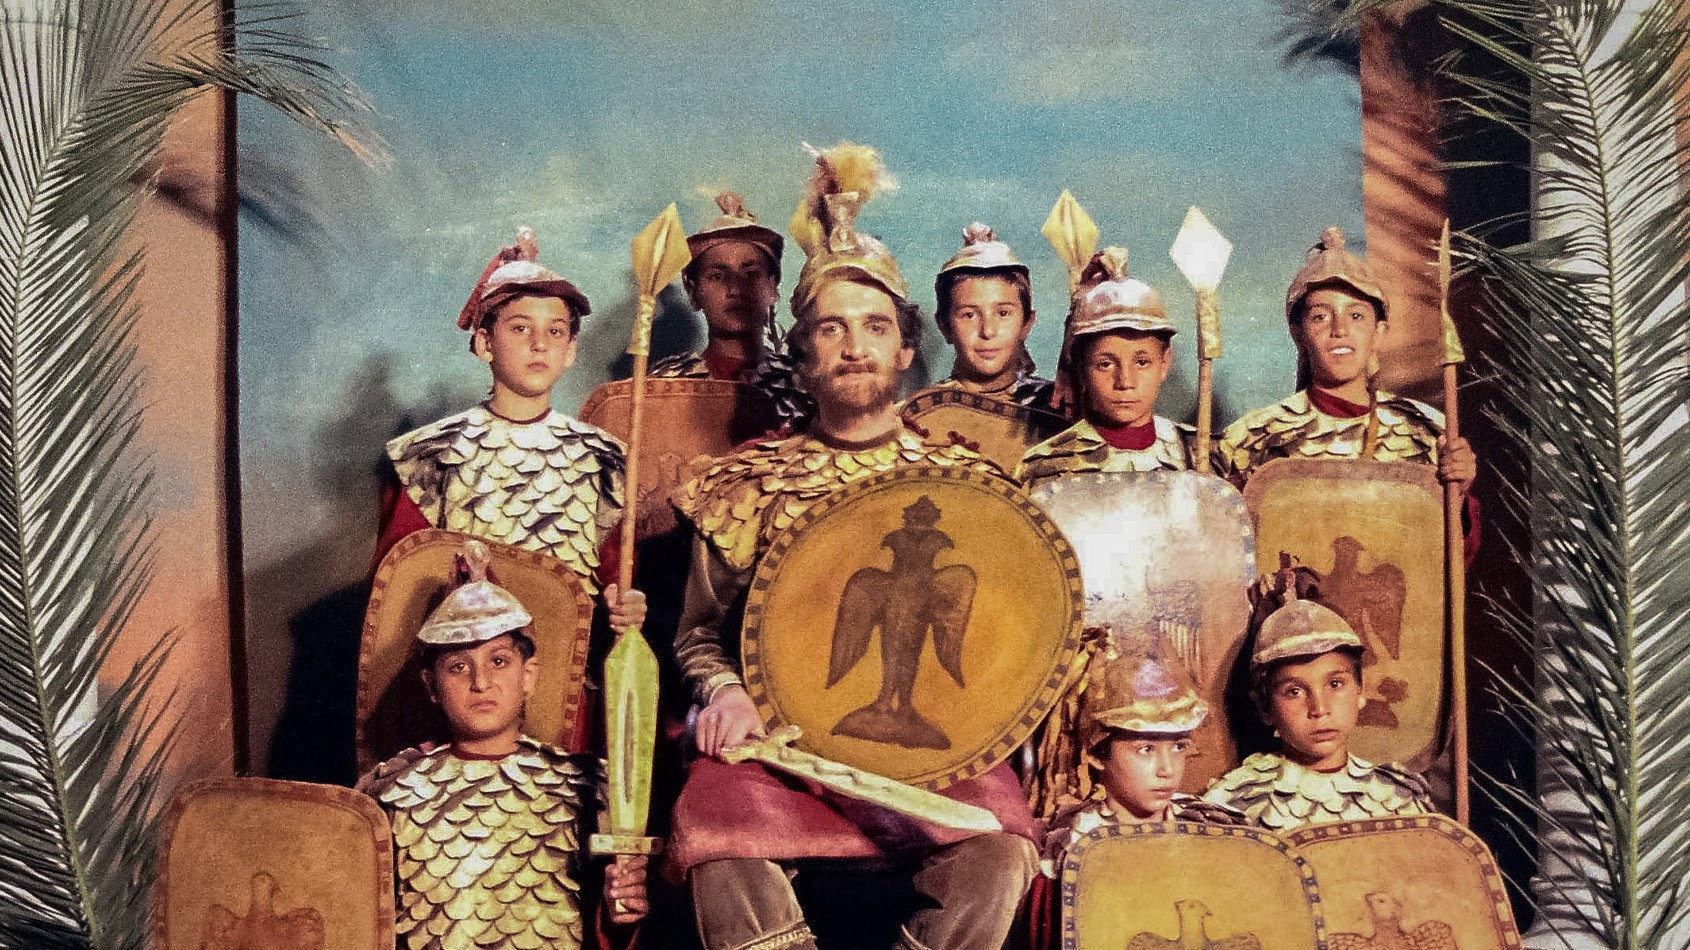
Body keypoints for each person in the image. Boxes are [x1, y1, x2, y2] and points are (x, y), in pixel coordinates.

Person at [669, 142, 1039, 950]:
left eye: (875, 327)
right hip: (782, 752)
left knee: (1002, 849)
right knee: (716, 842)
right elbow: (698, 635)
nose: (854, 346)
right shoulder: (745, 484)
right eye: (830, 329)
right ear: (801, 354)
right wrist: (726, 693)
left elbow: (1003, 646)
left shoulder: (968, 487)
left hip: (932, 750)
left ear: (906, 348)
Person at [358, 540, 647, 949]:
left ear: (528, 675)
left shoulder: (583, 787)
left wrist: (618, 916)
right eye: (458, 666)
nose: (480, 682)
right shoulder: (392, 792)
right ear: (432, 686)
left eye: (498, 661)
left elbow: (604, 928)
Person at [376, 227, 645, 648]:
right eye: (520, 328)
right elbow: (399, 587)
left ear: (570, 350)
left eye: (555, 331)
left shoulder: (603, 458)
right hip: (470, 669)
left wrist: (623, 602)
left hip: (565, 670)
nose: (539, 344)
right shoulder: (432, 456)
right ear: (485, 343)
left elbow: (614, 571)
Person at [1212, 227, 1476, 496]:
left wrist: (1459, 488)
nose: (1339, 329)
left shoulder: (1426, 432)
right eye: (1320, 317)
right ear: (1299, 334)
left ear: (1379, 331)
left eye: (1356, 316)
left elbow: (1445, 520)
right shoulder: (1253, 439)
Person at [1202, 584, 1433, 830]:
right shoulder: (1233, 806)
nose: (1320, 709)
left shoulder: (1399, 799)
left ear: (1360, 690)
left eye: (1335, 684)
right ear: (1264, 707)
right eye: (1294, 692)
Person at [1015, 247, 1191, 488]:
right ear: (1081, 370)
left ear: (1164, 363)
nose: (1125, 382)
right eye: (1105, 364)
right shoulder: (1044, 468)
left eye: (1142, 362)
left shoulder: (1196, 453)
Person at [644, 190, 813, 427]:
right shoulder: (666, 385)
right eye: (717, 276)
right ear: (693, 292)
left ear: (772, 287)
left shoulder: (805, 383)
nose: (735, 289)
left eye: (751, 274)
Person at [930, 222, 1053, 408]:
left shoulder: (1055, 406)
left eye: (1003, 313)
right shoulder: (928, 411)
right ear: (944, 326)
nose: (987, 331)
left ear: (1027, 323)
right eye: (969, 315)